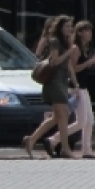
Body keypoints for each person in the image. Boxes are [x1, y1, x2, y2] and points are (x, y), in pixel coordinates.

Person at [47, 20, 95, 158]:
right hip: (75, 87)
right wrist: (89, 62)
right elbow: (74, 68)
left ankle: (87, 150)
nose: (89, 34)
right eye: (87, 31)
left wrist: (92, 60)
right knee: (81, 121)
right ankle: (53, 139)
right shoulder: (76, 48)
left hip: (83, 87)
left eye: (90, 31)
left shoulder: (84, 48)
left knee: (89, 120)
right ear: (79, 33)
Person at [23, 15, 76, 159]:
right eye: (66, 26)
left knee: (57, 117)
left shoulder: (66, 42)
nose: (69, 29)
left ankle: (31, 139)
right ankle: (65, 149)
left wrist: (75, 83)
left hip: (62, 82)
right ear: (60, 27)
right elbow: (54, 62)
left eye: (71, 26)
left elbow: (69, 66)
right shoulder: (55, 41)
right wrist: (69, 52)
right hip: (54, 83)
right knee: (63, 114)